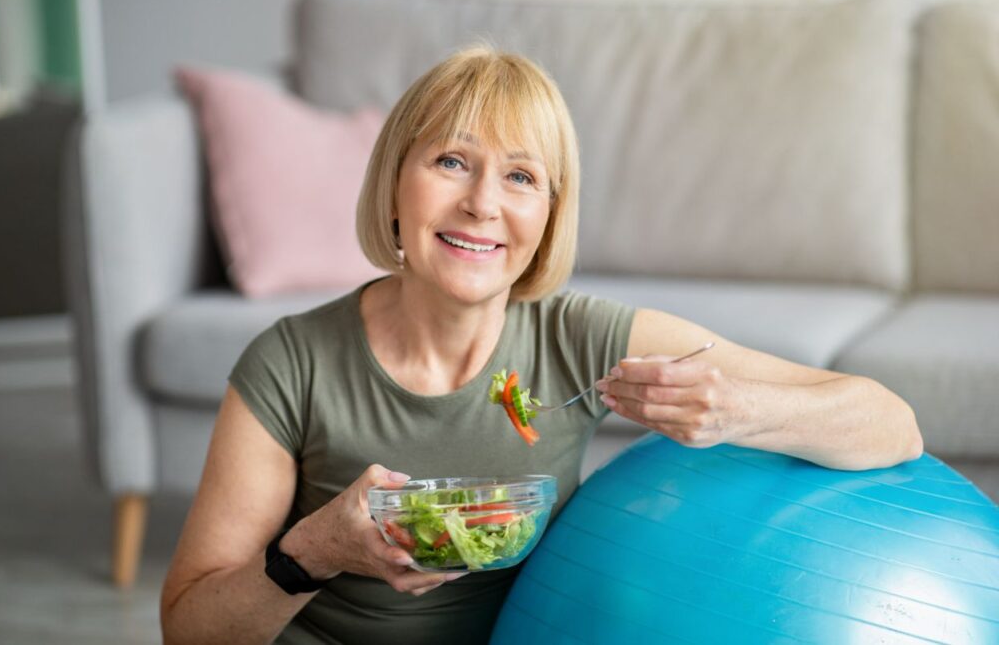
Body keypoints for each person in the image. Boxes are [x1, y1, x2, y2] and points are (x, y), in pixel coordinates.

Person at [159, 46, 923, 645]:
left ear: (549, 216)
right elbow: (188, 629)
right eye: (451, 161)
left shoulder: (580, 340)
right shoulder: (290, 362)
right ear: (396, 183)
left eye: (521, 177)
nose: (482, 203)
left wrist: (734, 411)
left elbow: (891, 423)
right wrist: (318, 548)